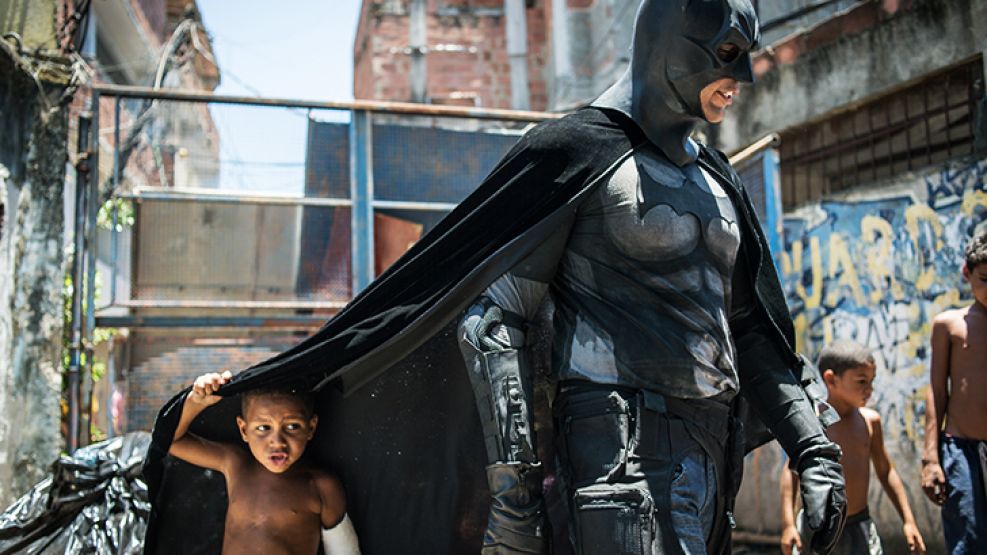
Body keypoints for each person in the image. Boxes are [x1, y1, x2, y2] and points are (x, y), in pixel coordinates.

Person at [456, 1, 848, 553]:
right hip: (620, 457)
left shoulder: (718, 176)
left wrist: (814, 450)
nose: (741, 77)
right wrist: (514, 499)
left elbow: (751, 328)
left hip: (713, 450)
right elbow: (494, 322)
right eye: (727, 54)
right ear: (670, 42)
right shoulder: (577, 153)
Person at [168, 371, 360, 555]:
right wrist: (195, 402)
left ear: (311, 428)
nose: (277, 441)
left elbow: (344, 551)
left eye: (292, 426)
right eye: (263, 427)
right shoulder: (236, 465)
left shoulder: (321, 486)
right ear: (244, 430)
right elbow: (170, 441)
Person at [780, 341, 925, 555]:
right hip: (817, 526)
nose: (869, 390)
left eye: (872, 382)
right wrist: (788, 525)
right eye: (861, 382)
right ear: (831, 379)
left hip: (860, 525)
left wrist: (909, 521)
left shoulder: (870, 422)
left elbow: (886, 472)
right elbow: (790, 475)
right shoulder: (813, 424)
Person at [921, 230, 987, 553]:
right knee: (968, 541)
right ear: (967, 273)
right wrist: (931, 458)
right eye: (985, 278)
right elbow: (936, 390)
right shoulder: (949, 324)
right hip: (961, 451)